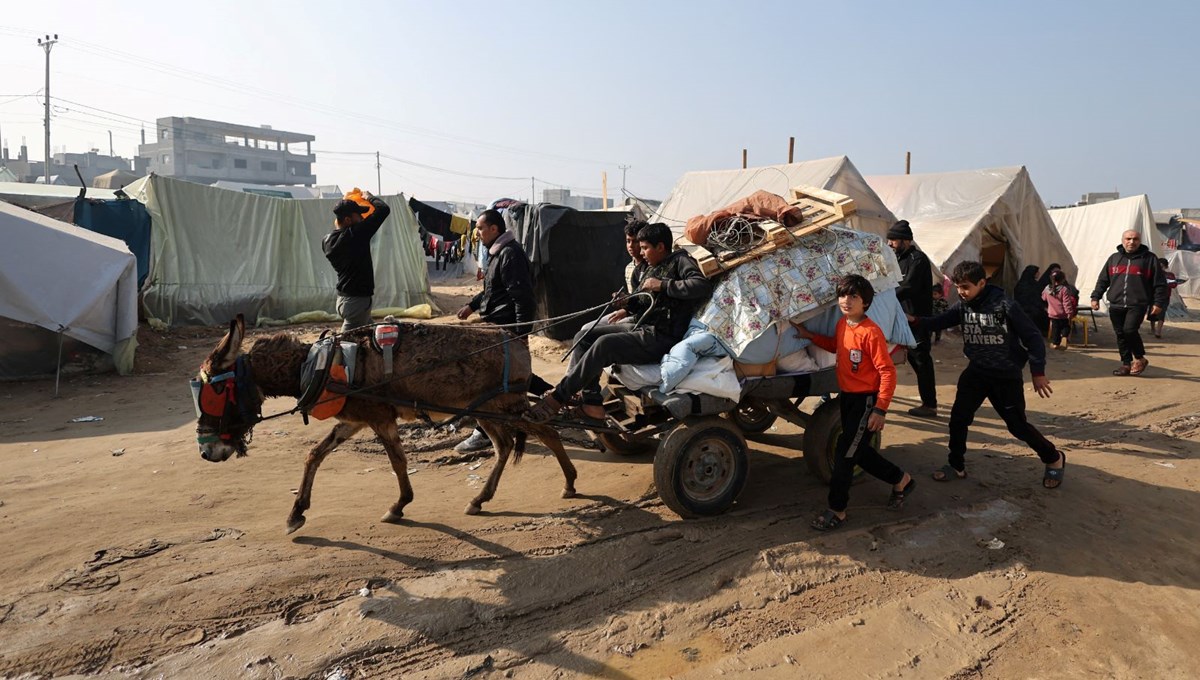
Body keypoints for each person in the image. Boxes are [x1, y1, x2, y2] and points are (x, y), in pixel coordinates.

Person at [525, 222, 713, 424]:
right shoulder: (651, 268)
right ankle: (592, 402)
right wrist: (627, 302)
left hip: (662, 336)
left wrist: (663, 285)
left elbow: (700, 286)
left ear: (660, 247)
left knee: (604, 345)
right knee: (584, 336)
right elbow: (642, 301)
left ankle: (557, 399)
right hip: (643, 328)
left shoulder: (679, 261)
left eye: (645, 248)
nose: (641, 252)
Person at [911, 261, 1065, 489]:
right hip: (977, 372)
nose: (961, 292)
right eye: (958, 287)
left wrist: (1037, 372)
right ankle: (956, 465)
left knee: (1017, 426)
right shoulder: (963, 305)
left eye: (965, 287)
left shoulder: (1005, 305)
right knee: (958, 419)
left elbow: (1032, 337)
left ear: (982, 283)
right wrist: (914, 321)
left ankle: (1054, 457)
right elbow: (940, 321)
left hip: (1005, 376)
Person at [792, 275, 915, 531]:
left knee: (845, 455)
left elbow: (887, 372)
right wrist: (809, 335)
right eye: (843, 295)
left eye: (854, 297)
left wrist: (880, 409)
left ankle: (837, 510)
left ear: (866, 302)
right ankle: (901, 479)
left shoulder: (871, 332)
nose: (846, 301)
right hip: (846, 398)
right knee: (859, 451)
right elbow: (836, 347)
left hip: (866, 401)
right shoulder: (842, 325)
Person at [454, 209, 554, 452]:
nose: (477, 233)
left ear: (494, 229)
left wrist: (520, 334)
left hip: (507, 327)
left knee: (491, 378)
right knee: (510, 376)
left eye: (480, 228)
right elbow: (492, 290)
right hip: (496, 325)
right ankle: (553, 394)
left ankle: (485, 431)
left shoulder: (510, 255)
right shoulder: (498, 254)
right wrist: (472, 305)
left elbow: (524, 299)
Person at [1090, 230, 1168, 376]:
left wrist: (1158, 303)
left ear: (1140, 241)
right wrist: (1096, 297)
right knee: (1120, 334)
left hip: (1137, 304)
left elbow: (1160, 284)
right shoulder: (1114, 258)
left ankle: (1139, 358)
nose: (1132, 242)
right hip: (1116, 303)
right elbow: (1103, 280)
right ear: (1123, 240)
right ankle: (1126, 364)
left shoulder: (1149, 259)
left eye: (1135, 239)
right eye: (1128, 239)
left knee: (1129, 330)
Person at [886, 220, 938, 418]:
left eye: (893, 240)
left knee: (921, 359)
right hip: (900, 317)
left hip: (917, 318)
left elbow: (908, 287)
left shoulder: (918, 259)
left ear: (905, 241)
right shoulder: (897, 258)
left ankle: (929, 404)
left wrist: (883, 298)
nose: (890, 243)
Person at [322, 191, 392, 332]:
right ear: (348, 220)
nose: (361, 218)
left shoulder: (327, 241)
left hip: (343, 300)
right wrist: (368, 197)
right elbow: (384, 210)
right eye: (358, 215)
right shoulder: (356, 235)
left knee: (374, 335)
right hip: (357, 303)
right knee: (345, 345)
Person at [1042, 269, 1078, 350]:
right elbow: (1066, 302)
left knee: (1056, 329)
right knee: (1066, 326)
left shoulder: (1047, 288)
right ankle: (1064, 337)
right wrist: (1069, 312)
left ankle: (1055, 344)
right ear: (1063, 279)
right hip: (1063, 313)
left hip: (1052, 313)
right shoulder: (1064, 289)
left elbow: (1043, 298)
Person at [1148, 257, 1178, 339]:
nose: (1161, 268)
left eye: (1162, 266)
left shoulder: (1170, 275)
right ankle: (1153, 329)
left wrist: (1164, 283)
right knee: (1152, 313)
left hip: (1165, 297)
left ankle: (1158, 331)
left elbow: (1174, 285)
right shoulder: (1153, 274)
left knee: (1162, 313)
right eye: (1159, 266)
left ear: (1166, 266)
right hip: (1154, 296)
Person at [1014, 265, 1048, 335]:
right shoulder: (1030, 285)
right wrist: (1042, 307)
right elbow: (1033, 299)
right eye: (1037, 272)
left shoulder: (1022, 283)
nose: (1039, 273)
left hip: (1024, 307)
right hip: (1028, 308)